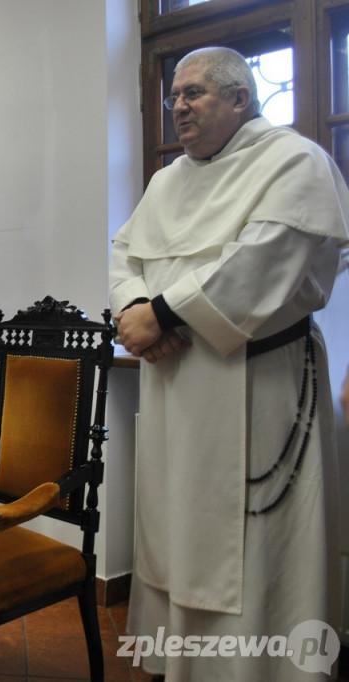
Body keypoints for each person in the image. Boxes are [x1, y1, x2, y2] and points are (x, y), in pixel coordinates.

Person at [110, 47, 349, 681]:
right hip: (174, 389)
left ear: (240, 98)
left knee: (261, 547)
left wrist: (160, 314)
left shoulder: (294, 163)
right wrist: (136, 311)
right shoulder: (166, 181)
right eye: (173, 97)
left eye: (193, 94)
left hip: (260, 386)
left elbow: (265, 260)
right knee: (174, 532)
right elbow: (124, 255)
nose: (178, 107)